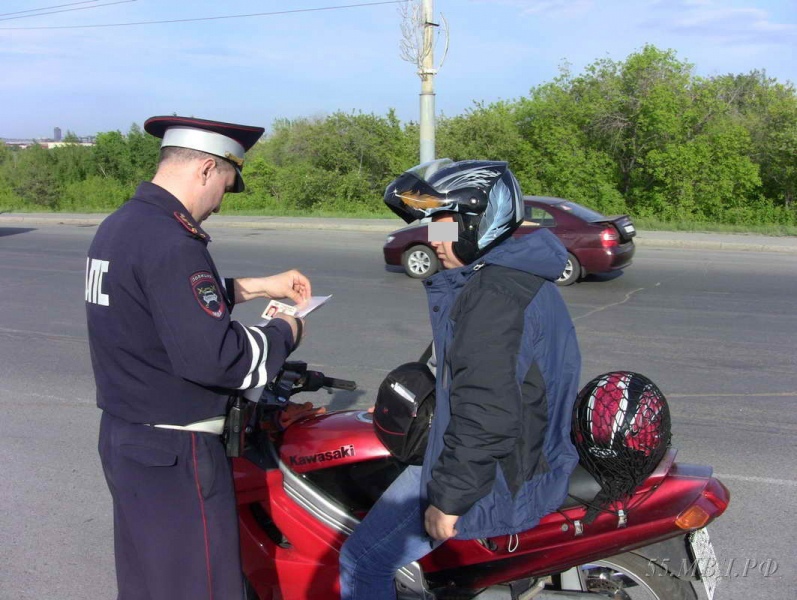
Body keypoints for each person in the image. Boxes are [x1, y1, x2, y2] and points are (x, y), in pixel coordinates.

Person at [85, 115, 314, 600]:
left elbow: (158, 307)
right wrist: (284, 330)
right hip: (177, 454)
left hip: (127, 439)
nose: (219, 205)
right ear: (208, 169)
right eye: (226, 187)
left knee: (150, 583)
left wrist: (254, 286)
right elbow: (219, 359)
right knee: (201, 587)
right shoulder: (173, 241)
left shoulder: (121, 225)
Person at [339, 159, 582, 598]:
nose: (435, 240)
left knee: (361, 562)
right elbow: (488, 378)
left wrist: (449, 498)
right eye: (430, 227)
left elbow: (488, 409)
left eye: (443, 225)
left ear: (480, 222)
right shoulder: (520, 278)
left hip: (495, 472)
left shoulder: (493, 297)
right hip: (527, 455)